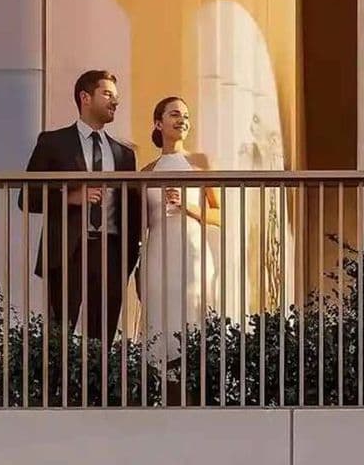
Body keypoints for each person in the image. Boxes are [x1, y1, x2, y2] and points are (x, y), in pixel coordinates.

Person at [19, 70, 144, 350]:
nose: (115, 102)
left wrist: (128, 256)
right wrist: (70, 196)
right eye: (108, 94)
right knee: (58, 336)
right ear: (85, 97)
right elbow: (27, 197)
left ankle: (98, 391)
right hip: (67, 251)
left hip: (112, 252)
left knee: (103, 337)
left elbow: (132, 210)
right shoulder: (53, 143)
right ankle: (54, 392)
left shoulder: (125, 154)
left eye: (117, 97)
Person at [138, 96, 220, 366]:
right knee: (159, 316)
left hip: (191, 251)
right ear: (158, 123)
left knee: (193, 314)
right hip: (158, 253)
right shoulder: (147, 171)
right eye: (174, 114)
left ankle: (197, 384)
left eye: (185, 116)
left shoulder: (199, 164)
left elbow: (220, 215)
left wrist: (187, 206)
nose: (182, 120)